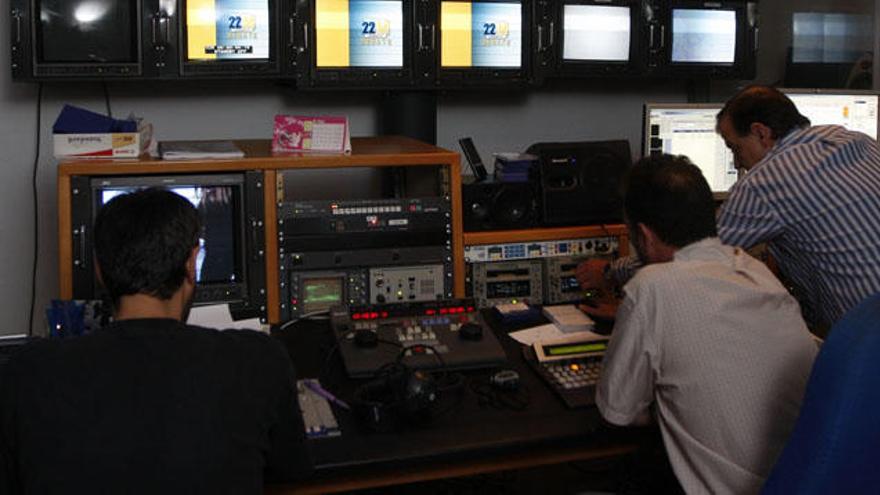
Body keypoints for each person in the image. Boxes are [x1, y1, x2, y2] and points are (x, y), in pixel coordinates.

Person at [0, 189, 311, 494]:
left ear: (99, 268)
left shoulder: (26, 372)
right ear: (191, 263)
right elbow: (292, 470)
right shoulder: (260, 359)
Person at [593, 154, 818, 494]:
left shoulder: (652, 286)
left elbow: (617, 411)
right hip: (805, 481)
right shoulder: (756, 271)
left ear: (644, 235)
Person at [580, 85, 880, 331]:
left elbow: (690, 257)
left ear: (761, 133)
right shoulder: (855, 140)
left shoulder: (766, 182)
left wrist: (610, 270)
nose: (737, 163)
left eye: (735, 148)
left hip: (864, 341)